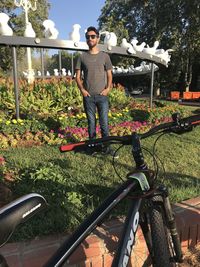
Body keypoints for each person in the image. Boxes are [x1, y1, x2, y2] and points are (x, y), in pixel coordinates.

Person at [75, 26, 116, 157]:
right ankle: (92, 147)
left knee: (104, 123)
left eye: (93, 36)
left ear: (98, 38)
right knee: (91, 123)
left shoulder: (105, 57)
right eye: (88, 37)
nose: (90, 39)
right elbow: (77, 77)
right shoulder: (82, 57)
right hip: (88, 97)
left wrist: (108, 88)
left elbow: (110, 75)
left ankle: (107, 148)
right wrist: (82, 90)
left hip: (102, 96)